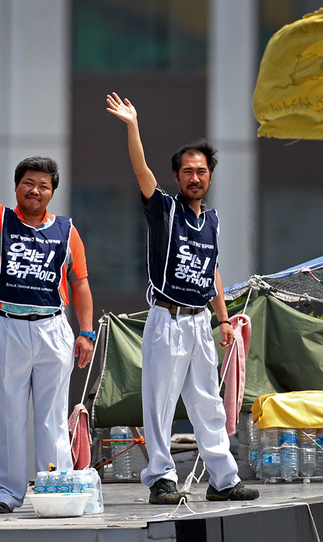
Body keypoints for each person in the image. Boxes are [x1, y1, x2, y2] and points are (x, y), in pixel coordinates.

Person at [106, 92, 260, 504]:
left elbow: (212, 271)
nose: (196, 177)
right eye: (188, 171)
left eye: (202, 171)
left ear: (210, 176)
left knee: (208, 403)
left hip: (200, 323)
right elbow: (141, 170)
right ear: (177, 176)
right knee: (159, 403)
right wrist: (133, 125)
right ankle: (161, 478)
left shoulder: (211, 219)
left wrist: (224, 319)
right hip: (167, 319)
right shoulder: (164, 210)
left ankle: (224, 479)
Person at [0, 111, 96, 514]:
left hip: (54, 327)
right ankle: (5, 493)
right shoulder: (1, 220)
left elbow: (81, 283)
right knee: (7, 413)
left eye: (43, 185)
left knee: (52, 417)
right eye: (28, 183)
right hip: (10, 326)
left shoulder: (67, 230)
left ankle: (54, 489)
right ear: (17, 187)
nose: (35, 190)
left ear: (53, 191)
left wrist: (85, 332)